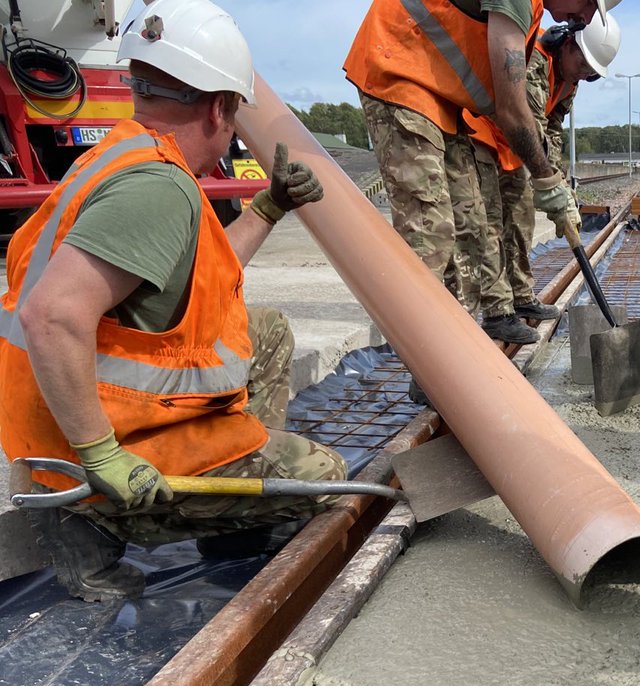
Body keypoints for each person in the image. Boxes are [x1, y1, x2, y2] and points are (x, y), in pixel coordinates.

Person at [0, 0, 345, 603]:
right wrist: (100, 454)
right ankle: (95, 521)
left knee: (264, 331)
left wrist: (268, 208)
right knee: (320, 477)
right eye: (235, 115)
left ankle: (224, 491)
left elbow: (202, 276)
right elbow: (51, 315)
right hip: (87, 452)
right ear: (218, 107)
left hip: (54, 415)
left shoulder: (128, 151)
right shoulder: (158, 189)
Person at [344, 0, 604, 345]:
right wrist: (549, 181)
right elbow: (514, 109)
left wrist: (553, 181)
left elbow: (545, 124)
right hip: (403, 70)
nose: (584, 18)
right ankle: (431, 361)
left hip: (447, 99)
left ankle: (459, 343)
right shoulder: (520, 3)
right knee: (430, 235)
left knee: (472, 225)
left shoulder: (537, 10)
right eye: (588, 3)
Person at [460, 11, 621, 334]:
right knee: (490, 222)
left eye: (592, 73)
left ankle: (520, 297)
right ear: (567, 43)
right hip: (483, 137)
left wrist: (561, 186)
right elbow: (530, 123)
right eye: (583, 63)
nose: (585, 73)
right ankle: (497, 311)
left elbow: (554, 130)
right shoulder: (535, 59)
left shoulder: (570, 83)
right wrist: (550, 182)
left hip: (518, 149)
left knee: (521, 221)